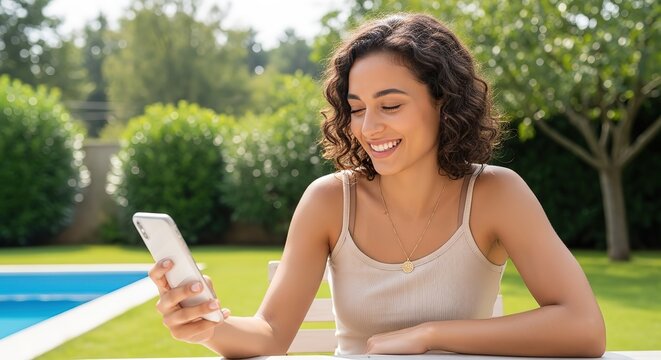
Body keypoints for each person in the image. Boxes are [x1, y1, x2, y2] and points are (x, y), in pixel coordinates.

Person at [148, 13, 606, 357]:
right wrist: (208, 327)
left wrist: (430, 335)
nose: (368, 127)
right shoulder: (329, 201)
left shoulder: (495, 194)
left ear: (443, 103)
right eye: (357, 107)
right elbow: (269, 335)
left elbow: (584, 327)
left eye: (390, 106)